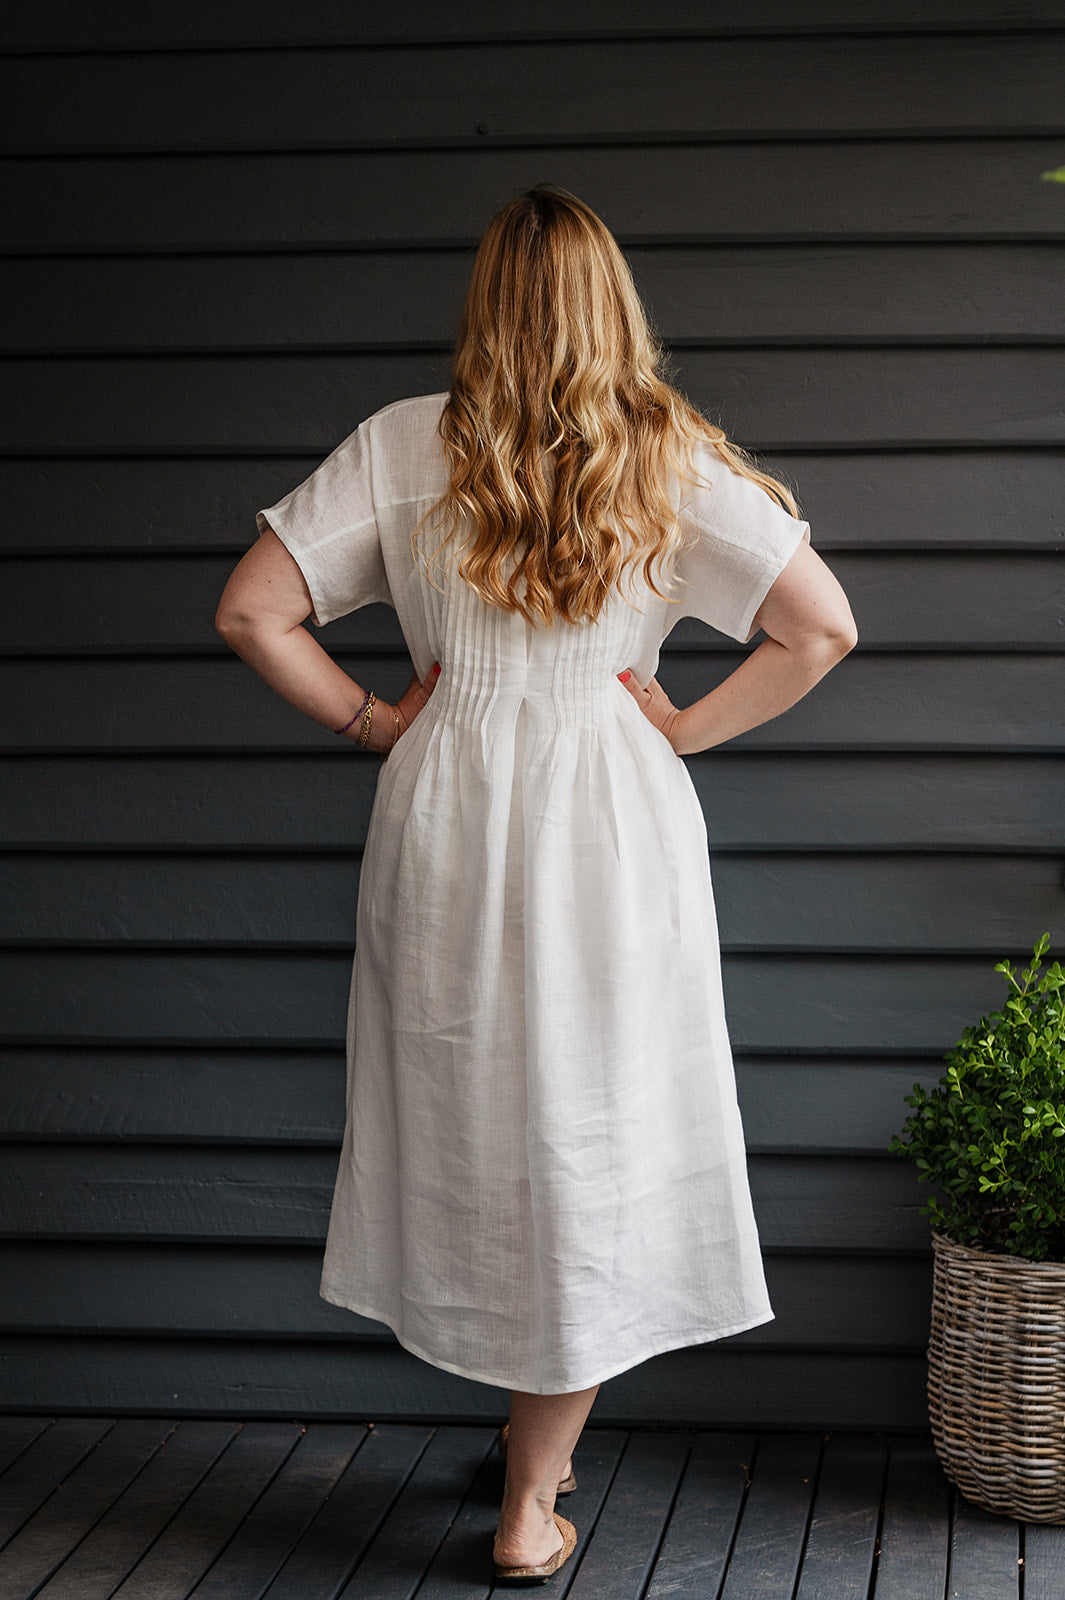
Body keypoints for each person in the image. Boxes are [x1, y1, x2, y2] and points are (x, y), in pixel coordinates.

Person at [214, 183, 857, 1584]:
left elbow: (251, 610)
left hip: (444, 801)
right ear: (609, 306)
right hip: (607, 812)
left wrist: (376, 720)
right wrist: (678, 727)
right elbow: (819, 629)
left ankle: (526, 1452)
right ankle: (530, 1498)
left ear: (485, 307)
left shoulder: (401, 445)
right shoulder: (668, 459)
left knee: (479, 1111)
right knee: (590, 1125)